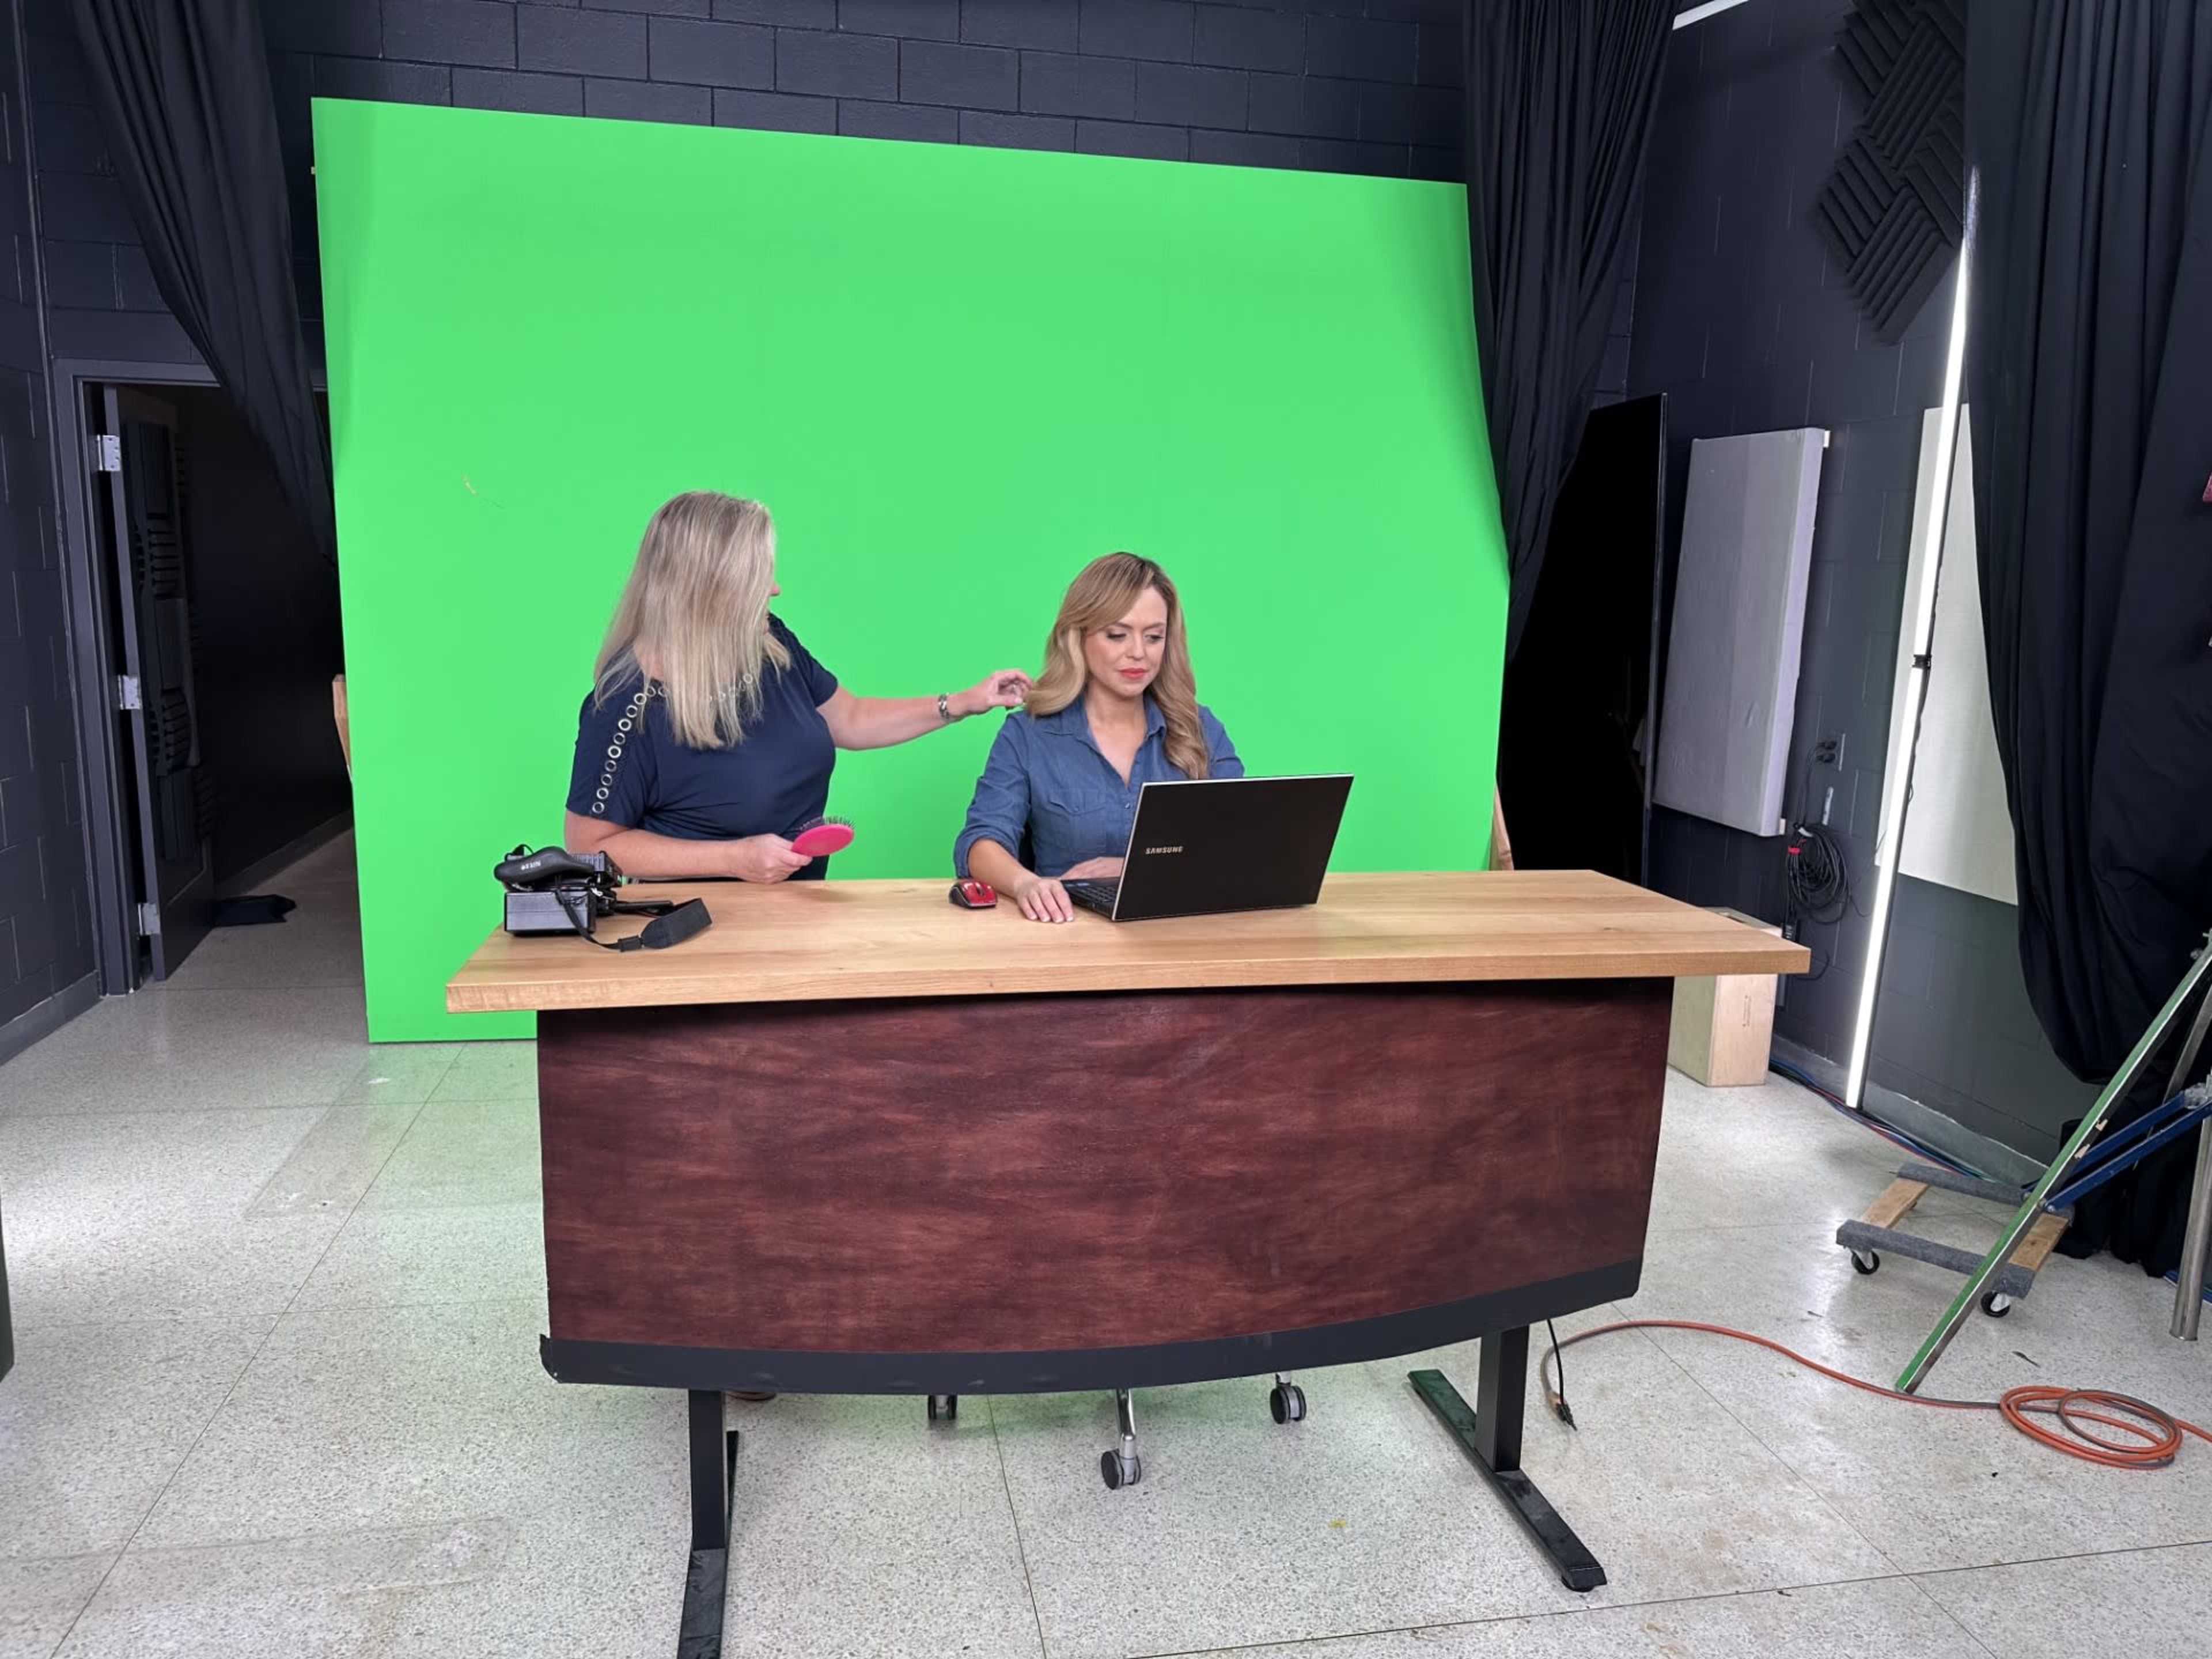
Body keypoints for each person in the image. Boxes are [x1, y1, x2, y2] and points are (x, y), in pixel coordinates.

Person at [564, 491, 1031, 884]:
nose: (775, 589)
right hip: (697, 930)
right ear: (708, 589)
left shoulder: (770, 646)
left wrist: (963, 702)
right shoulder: (626, 706)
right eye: (757, 578)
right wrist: (732, 859)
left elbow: (850, 718)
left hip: (794, 913)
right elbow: (590, 845)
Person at [956, 552, 1242, 922]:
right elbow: (980, 843)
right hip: (1068, 933)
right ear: (1079, 637)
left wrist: (1129, 867)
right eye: (1117, 635)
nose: (1138, 653)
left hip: (1184, 934)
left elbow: (1239, 842)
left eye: (1154, 637)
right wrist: (1027, 883)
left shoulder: (1200, 728)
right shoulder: (1028, 735)